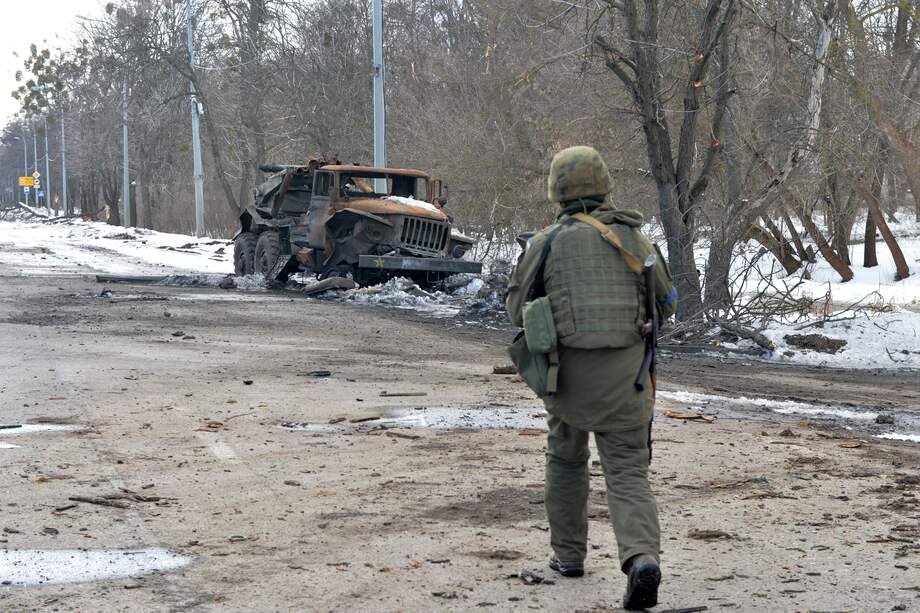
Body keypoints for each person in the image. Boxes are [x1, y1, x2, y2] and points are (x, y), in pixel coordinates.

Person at [505, 145, 677, 610]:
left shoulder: (547, 242)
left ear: (556, 191)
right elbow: (667, 304)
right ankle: (642, 558)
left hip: (566, 378)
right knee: (627, 473)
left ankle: (568, 557)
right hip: (629, 380)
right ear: (605, 185)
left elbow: (514, 307)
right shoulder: (636, 240)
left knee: (565, 459)